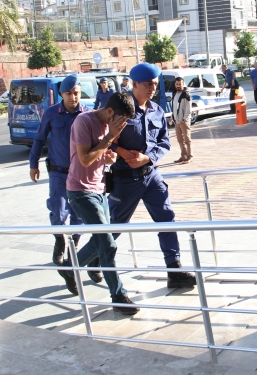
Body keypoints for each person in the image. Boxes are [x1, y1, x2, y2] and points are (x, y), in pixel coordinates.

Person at [101, 63, 196, 289]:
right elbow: (105, 139)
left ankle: (174, 269)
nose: (152, 88)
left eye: (155, 84)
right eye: (147, 84)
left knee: (167, 218)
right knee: (116, 225)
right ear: (135, 84)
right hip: (125, 178)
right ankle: (93, 259)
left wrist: (148, 158)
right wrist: (122, 152)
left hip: (151, 175)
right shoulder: (119, 107)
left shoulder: (156, 110)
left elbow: (164, 142)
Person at [58, 91, 139, 315]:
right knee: (108, 244)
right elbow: (84, 158)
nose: (122, 126)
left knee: (102, 239)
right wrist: (110, 138)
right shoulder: (83, 121)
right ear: (111, 112)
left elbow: (96, 155)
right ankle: (118, 296)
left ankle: (68, 268)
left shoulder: (108, 126)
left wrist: (107, 157)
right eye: (121, 121)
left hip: (99, 188)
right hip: (80, 191)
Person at [29, 74, 86, 265]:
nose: (73, 97)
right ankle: (60, 241)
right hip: (58, 172)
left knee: (78, 213)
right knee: (58, 209)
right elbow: (39, 139)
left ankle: (74, 246)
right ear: (62, 94)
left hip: (79, 173)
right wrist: (33, 164)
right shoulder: (52, 113)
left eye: (76, 93)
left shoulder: (87, 114)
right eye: (69, 93)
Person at [168, 77, 192, 164]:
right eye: (177, 84)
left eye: (180, 84)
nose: (178, 86)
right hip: (176, 120)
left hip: (183, 121)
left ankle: (189, 156)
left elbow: (188, 109)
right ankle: (183, 156)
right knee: (180, 140)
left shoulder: (186, 94)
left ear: (183, 84)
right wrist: (172, 117)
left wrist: (184, 119)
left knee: (187, 139)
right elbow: (174, 108)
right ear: (175, 84)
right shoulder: (174, 94)